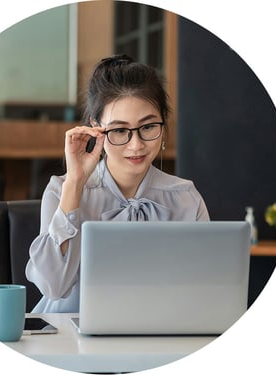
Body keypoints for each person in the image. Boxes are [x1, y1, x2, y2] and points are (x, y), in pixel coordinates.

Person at [25, 55, 209, 313]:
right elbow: (53, 287)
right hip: (68, 334)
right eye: (120, 130)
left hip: (159, 334)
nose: (136, 145)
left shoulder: (185, 198)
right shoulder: (62, 189)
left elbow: (204, 290)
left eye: (148, 127)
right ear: (96, 130)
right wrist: (76, 183)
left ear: (163, 123)